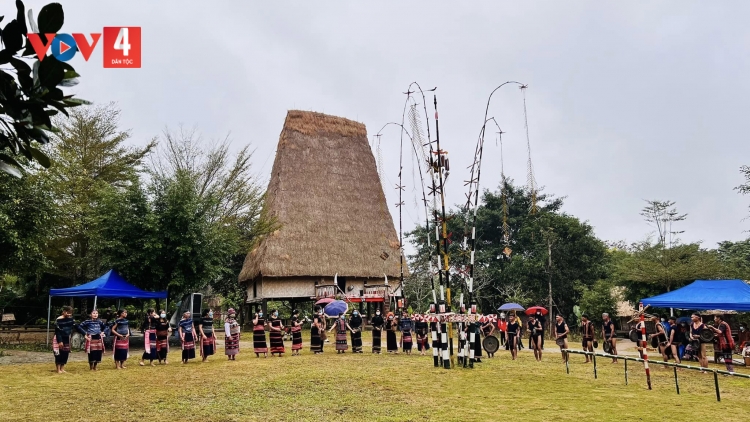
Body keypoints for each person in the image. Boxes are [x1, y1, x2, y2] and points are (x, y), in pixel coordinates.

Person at [52, 306, 75, 373]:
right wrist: (60, 341)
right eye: (68, 313)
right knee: (58, 353)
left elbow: (77, 326)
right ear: (64, 312)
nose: (69, 314)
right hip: (59, 338)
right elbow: (57, 331)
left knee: (65, 353)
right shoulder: (58, 320)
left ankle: (62, 368)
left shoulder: (71, 320)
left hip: (66, 338)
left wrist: (85, 333)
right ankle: (58, 369)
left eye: (70, 313)